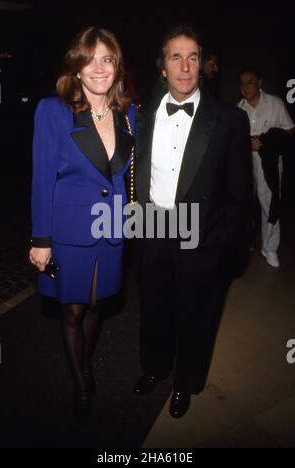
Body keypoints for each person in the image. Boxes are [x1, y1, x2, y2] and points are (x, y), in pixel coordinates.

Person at [133, 25, 252, 418]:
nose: (185, 67)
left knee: (195, 318)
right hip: (151, 230)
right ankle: (155, 367)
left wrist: (212, 247)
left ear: (203, 64)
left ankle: (185, 382)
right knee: (154, 311)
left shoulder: (230, 120)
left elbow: (239, 199)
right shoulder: (144, 112)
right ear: (162, 67)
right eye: (175, 57)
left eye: (193, 57)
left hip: (199, 237)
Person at [29, 26, 135, 422]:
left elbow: (129, 176)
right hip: (69, 233)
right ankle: (80, 380)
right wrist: (42, 239)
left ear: (117, 66)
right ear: (75, 67)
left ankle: (85, 361)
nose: (98, 68)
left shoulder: (129, 114)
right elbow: (41, 178)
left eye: (106, 59)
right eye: (88, 59)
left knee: (96, 307)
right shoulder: (52, 110)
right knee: (71, 311)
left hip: (111, 230)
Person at [238, 68, 295, 268]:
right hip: (245, 162)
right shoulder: (239, 109)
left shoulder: (275, 104)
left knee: (270, 203)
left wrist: (266, 141)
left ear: (259, 83)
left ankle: (270, 247)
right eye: (243, 83)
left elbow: (289, 131)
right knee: (244, 203)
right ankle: (245, 244)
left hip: (269, 161)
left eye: (250, 82)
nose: (246, 87)